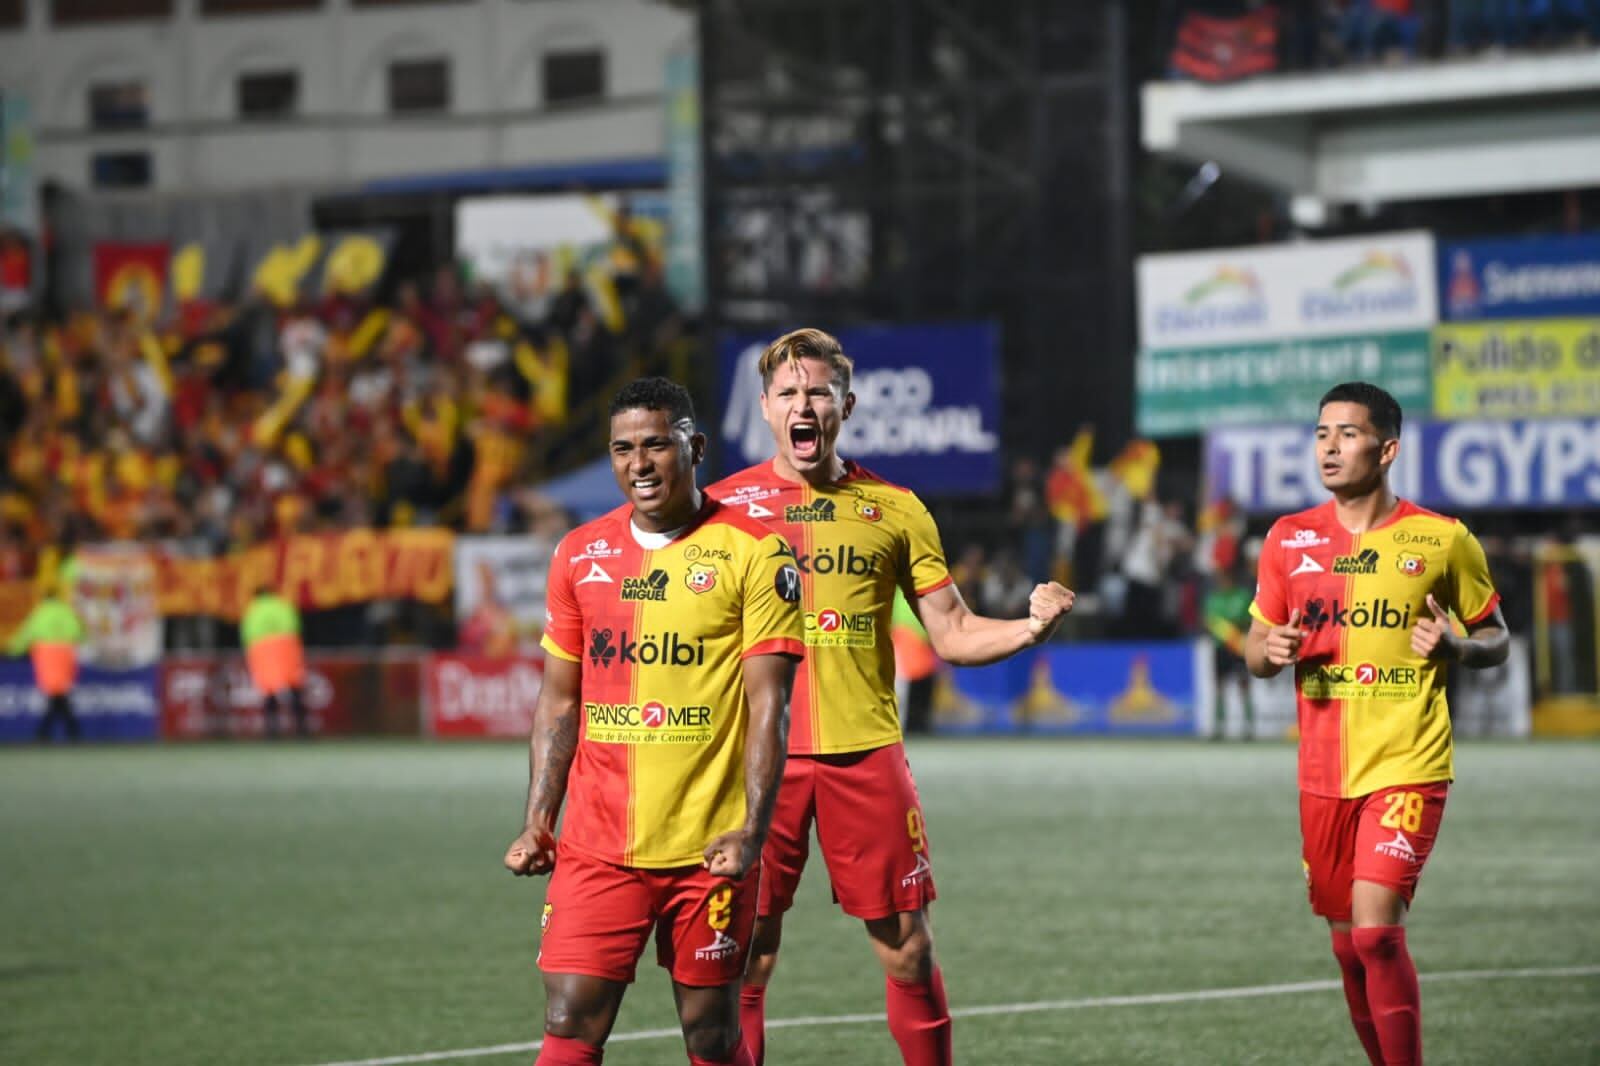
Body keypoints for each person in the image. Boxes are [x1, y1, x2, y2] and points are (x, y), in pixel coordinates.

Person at [706, 328, 1075, 1066]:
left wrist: (1029, 630)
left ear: (845, 404)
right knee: (742, 954)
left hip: (863, 756)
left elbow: (954, 629)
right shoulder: (720, 510)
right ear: (765, 408)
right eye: (788, 393)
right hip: (753, 767)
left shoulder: (897, 508)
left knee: (907, 949)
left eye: (817, 392)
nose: (803, 404)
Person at [503, 377, 804, 1066]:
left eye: (655, 445)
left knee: (710, 1033)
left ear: (694, 447)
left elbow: (769, 706)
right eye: (622, 449)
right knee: (571, 1015)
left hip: (708, 848)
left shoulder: (756, 552)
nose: (638, 464)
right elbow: (558, 701)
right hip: (596, 845)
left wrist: (753, 830)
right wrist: (538, 819)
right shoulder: (579, 555)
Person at [1244, 382, 1508, 1066]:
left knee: (1375, 936)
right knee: (1345, 944)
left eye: (1348, 434)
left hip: (1408, 765)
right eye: (1322, 433)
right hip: (1323, 773)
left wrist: (1457, 648)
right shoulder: (1287, 538)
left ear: (1387, 449)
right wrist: (1267, 653)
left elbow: (1497, 637)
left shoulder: (1443, 540)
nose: (1330, 447)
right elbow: (1256, 646)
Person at [7, 579, 86, 742]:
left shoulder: (40, 612)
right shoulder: (66, 611)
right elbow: (79, 633)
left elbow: (26, 634)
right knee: (59, 692)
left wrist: (12, 651)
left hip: (47, 654)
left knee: (55, 693)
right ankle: (65, 731)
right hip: (66, 653)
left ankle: (48, 732)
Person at [240, 583, 309, 738]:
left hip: (262, 649)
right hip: (287, 646)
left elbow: (247, 632)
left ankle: (272, 730)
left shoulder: (254, 609)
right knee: (294, 686)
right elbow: (296, 626)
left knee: (269, 689)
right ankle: (302, 729)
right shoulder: (283, 605)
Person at [1203, 561, 1255, 740]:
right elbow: (1209, 622)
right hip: (1221, 648)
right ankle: (1219, 727)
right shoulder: (1213, 599)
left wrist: (1233, 630)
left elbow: (1248, 619)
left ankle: (1249, 726)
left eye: (1224, 577)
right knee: (1219, 687)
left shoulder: (1242, 596)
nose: (1221, 581)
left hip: (1238, 647)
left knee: (1244, 685)